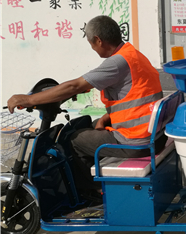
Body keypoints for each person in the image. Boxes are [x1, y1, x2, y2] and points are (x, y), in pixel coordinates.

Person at [7, 15, 164, 198]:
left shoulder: (116, 63)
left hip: (136, 142)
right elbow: (136, 97)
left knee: (73, 140)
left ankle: (93, 192)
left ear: (98, 40)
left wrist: (28, 100)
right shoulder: (132, 54)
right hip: (152, 134)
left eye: (91, 43)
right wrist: (107, 117)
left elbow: (74, 86)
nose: (92, 48)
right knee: (93, 124)